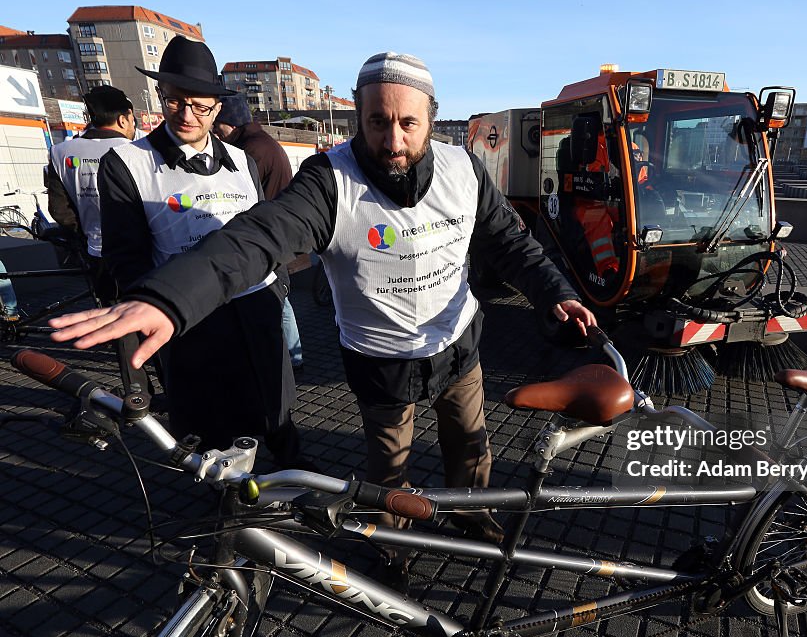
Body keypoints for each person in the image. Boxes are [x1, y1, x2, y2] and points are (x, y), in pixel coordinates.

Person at [50, 51, 595, 590]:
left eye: (408, 123)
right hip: (381, 357)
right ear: (359, 116)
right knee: (387, 470)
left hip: (457, 341)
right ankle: (394, 543)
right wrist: (169, 298)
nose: (394, 140)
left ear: (431, 117)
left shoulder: (463, 168)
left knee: (471, 447)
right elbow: (257, 237)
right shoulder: (330, 180)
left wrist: (555, 293)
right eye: (377, 122)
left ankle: (473, 517)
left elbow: (512, 243)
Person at [94, 35, 306, 469]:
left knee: (277, 408)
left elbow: (266, 229)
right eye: (175, 102)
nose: (188, 115)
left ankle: (291, 480)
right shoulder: (127, 163)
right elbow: (126, 257)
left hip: (256, 307)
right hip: (192, 320)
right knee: (210, 427)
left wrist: (279, 285)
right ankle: (227, 511)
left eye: (202, 106)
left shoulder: (242, 159)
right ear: (161, 96)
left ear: (217, 104)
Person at [213, 95, 303, 371]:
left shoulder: (250, 151)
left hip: (268, 233)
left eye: (219, 126)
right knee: (281, 297)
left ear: (229, 123)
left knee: (278, 297)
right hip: (279, 229)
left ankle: (292, 356)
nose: (216, 133)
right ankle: (294, 354)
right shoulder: (262, 142)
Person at [47, 85, 136, 304]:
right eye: (132, 119)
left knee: (109, 312)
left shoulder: (60, 152)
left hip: (94, 249)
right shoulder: (137, 151)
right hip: (137, 251)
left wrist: (84, 233)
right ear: (124, 119)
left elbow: (59, 209)